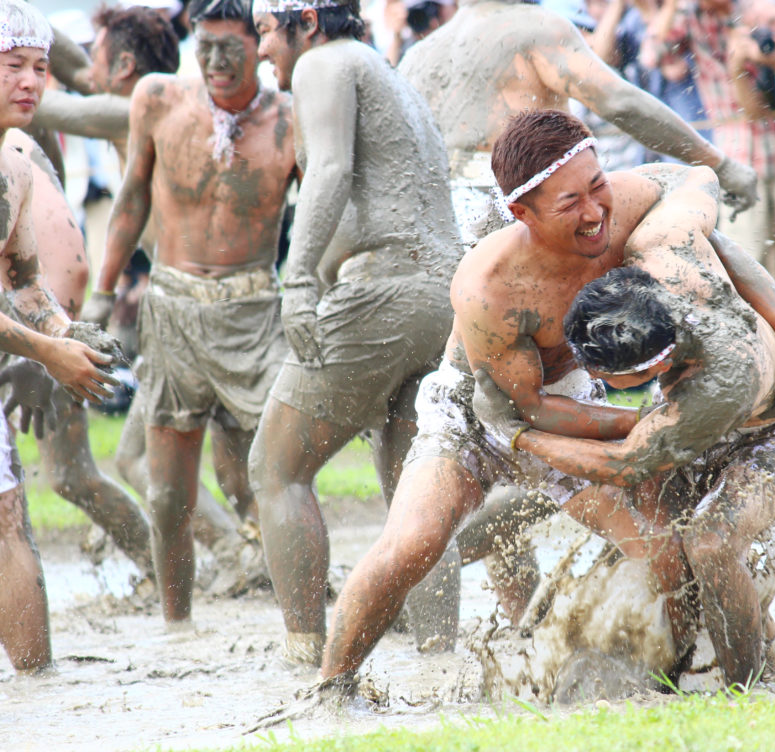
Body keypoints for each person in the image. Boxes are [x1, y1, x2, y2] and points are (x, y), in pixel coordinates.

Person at [318, 110, 775, 683]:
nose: (594, 212)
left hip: (570, 394)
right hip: (478, 407)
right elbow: (526, 411)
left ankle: (682, 680)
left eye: (597, 186)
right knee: (414, 542)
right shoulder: (489, 289)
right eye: (569, 204)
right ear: (520, 214)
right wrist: (649, 430)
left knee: (664, 547)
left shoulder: (627, 205)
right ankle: (332, 687)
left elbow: (704, 224)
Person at [473, 171, 775, 685]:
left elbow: (620, 464)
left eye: (602, 376)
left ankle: (748, 688)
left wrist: (516, 434)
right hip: (734, 392)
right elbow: (698, 180)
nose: (590, 378)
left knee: (711, 540)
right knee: (668, 524)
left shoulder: (708, 391)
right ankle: (760, 644)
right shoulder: (661, 247)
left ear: (648, 370)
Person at [249, 0, 464, 667]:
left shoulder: (325, 61)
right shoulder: (382, 68)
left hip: (383, 292)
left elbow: (332, 173)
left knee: (275, 467)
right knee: (415, 493)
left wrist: (300, 277)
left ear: (305, 21)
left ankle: (306, 656)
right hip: (443, 298)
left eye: (263, 34)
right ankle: (439, 664)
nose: (263, 54)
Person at [80, 0, 297, 628]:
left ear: (259, 45)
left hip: (256, 309)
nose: (217, 62)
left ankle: (303, 626)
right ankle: (178, 630)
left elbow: (324, 208)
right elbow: (130, 198)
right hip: (172, 308)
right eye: (205, 46)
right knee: (168, 494)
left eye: (232, 46)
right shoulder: (158, 98)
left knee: (281, 474)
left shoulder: (289, 119)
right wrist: (101, 292)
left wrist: (318, 296)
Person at [398, 0, 759, 247]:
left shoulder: (416, 56)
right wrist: (720, 165)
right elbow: (621, 103)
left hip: (441, 227)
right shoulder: (534, 29)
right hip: (523, 213)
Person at [0, 0, 121, 673]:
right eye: (12, 65)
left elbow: (22, 283)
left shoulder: (14, 167)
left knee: (7, 520)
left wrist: (70, 330)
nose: (30, 82)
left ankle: (36, 687)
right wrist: (48, 351)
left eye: (40, 68)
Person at [641, 0, 775, 299]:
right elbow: (651, 55)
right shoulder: (692, 17)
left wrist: (770, 56)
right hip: (736, 157)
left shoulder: (760, 10)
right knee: (747, 265)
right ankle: (759, 343)